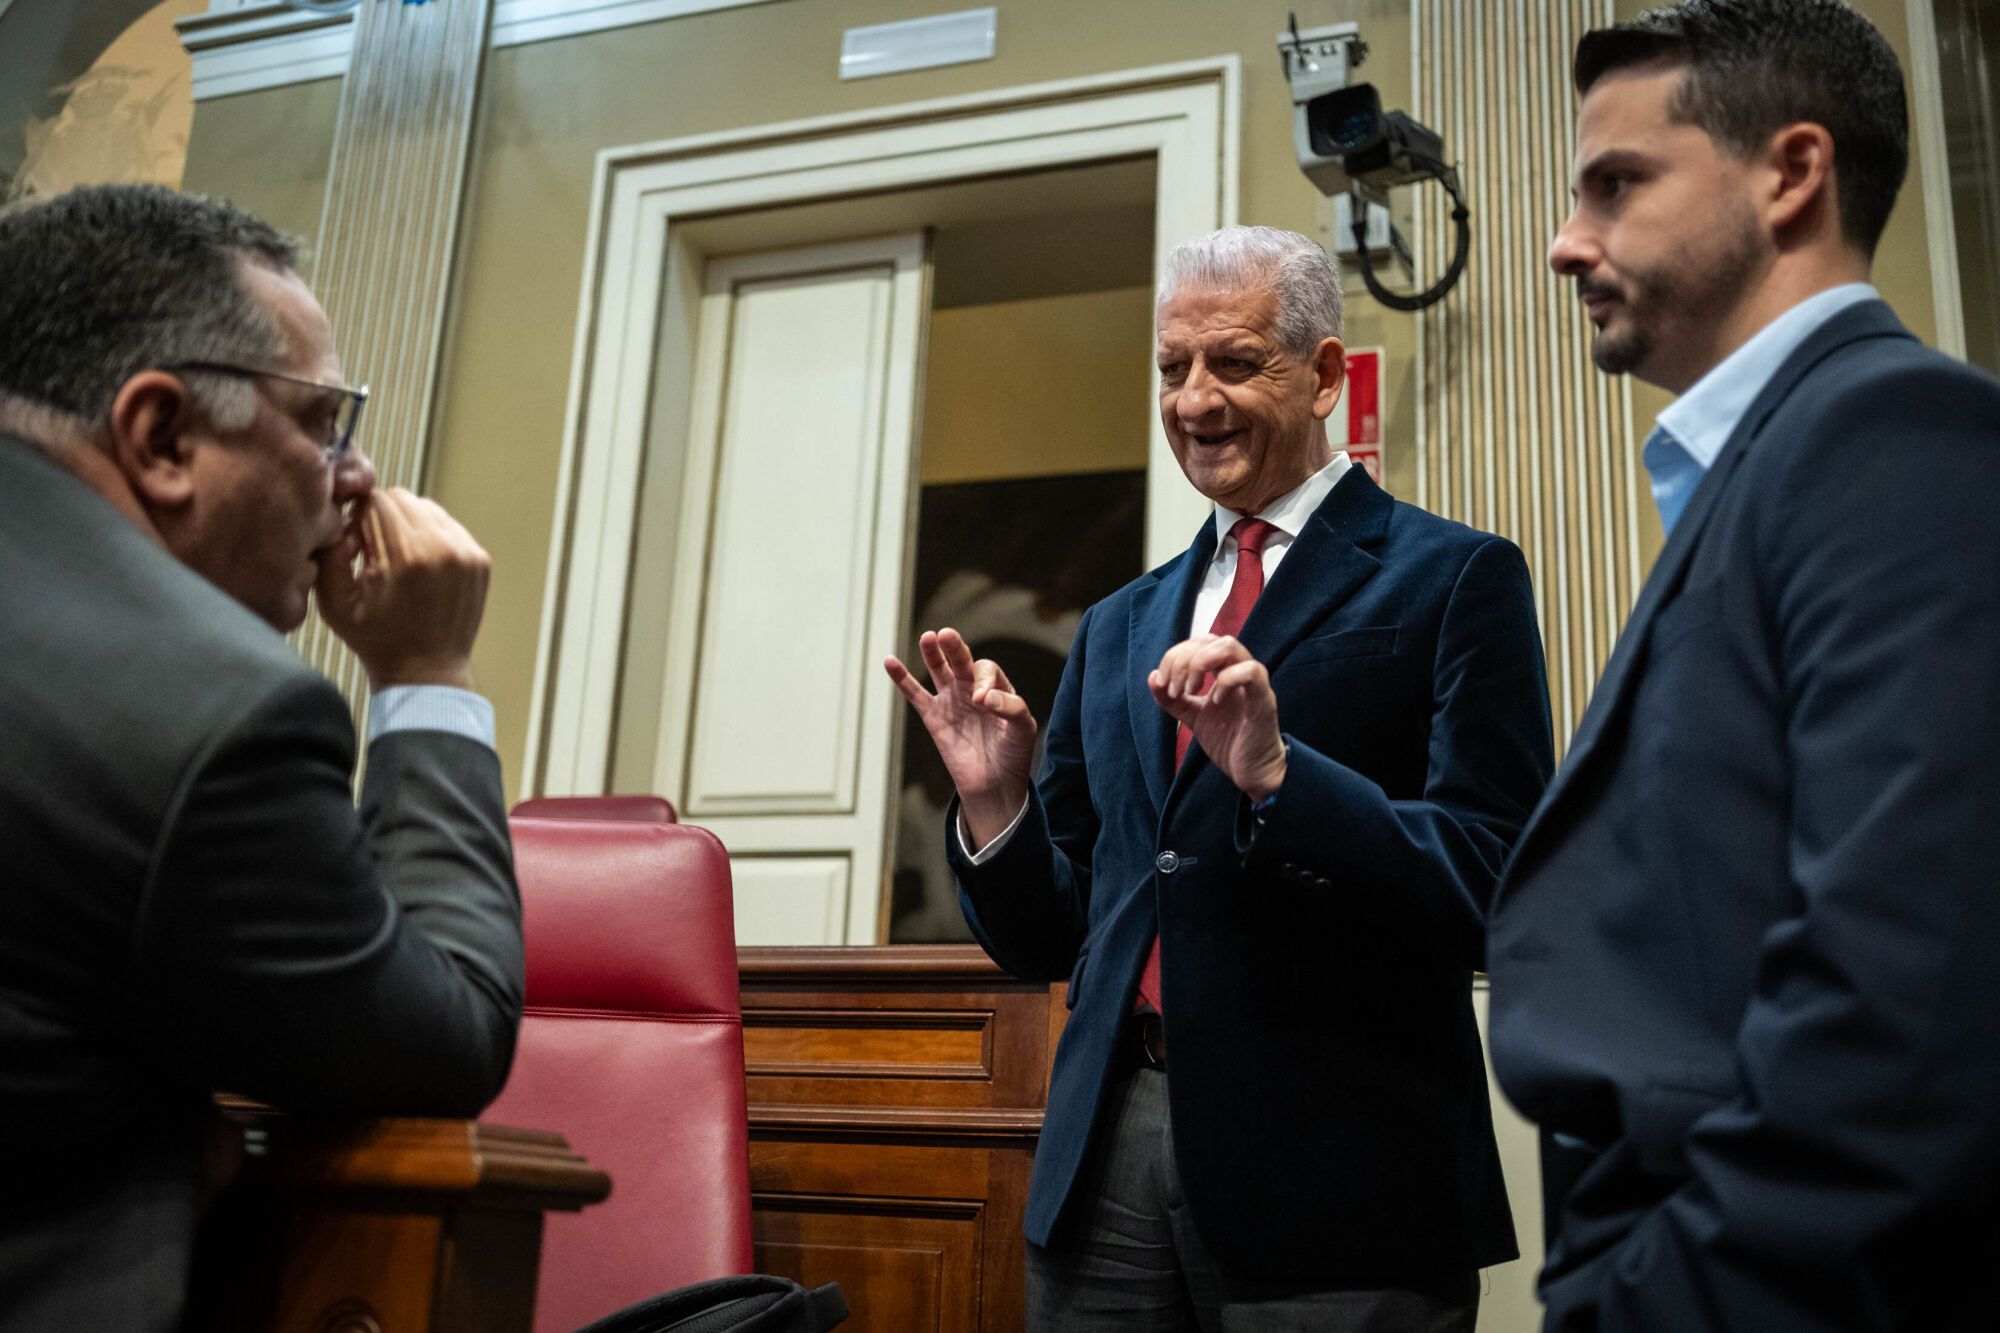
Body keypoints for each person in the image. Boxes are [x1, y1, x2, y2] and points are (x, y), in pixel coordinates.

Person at [885, 226, 1555, 1330]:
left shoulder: (1454, 579)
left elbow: (1499, 889)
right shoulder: (1118, 624)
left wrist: (1281, 776)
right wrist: (994, 802)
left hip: (1341, 1176)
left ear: (1326, 374)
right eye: (1170, 368)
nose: (1194, 399)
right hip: (1106, 1163)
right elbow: (1056, 932)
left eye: (1233, 363)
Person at [1485, 3, 2000, 1329]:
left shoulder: (1896, 434)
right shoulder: (1766, 466)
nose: (1565, 241)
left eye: (1619, 185)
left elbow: (1905, 1007)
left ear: (1791, 173)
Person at [0, 185, 524, 1329]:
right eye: (326, 420)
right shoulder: (209, 713)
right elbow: (449, 1034)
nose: (357, 476)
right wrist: (426, 672)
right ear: (163, 436)